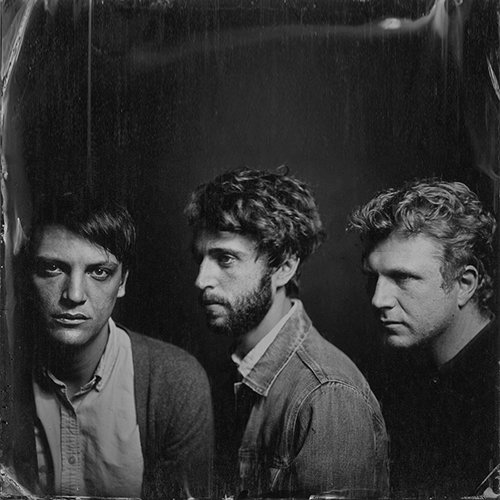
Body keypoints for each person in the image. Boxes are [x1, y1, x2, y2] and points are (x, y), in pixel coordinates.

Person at [185, 167, 389, 498]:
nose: (201, 280)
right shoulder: (233, 367)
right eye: (201, 259)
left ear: (284, 267)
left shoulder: (328, 396)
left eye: (225, 259)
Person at [12, 194, 213, 500]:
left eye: (99, 272)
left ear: (122, 283)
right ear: (28, 277)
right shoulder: (8, 377)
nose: (74, 295)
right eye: (53, 268)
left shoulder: (176, 383)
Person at [348, 179, 498, 497]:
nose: (378, 299)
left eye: (402, 277)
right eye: (373, 277)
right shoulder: (402, 378)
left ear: (464, 284)